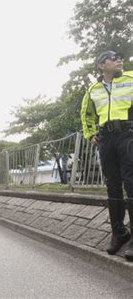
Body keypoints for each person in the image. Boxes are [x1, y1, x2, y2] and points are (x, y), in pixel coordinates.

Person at [81, 50, 133, 261]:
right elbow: (86, 114)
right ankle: (119, 233)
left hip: (128, 136)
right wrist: (91, 133)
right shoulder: (93, 89)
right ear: (101, 65)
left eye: (121, 58)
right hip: (106, 140)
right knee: (112, 185)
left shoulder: (130, 79)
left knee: (131, 183)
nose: (120, 60)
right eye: (114, 58)